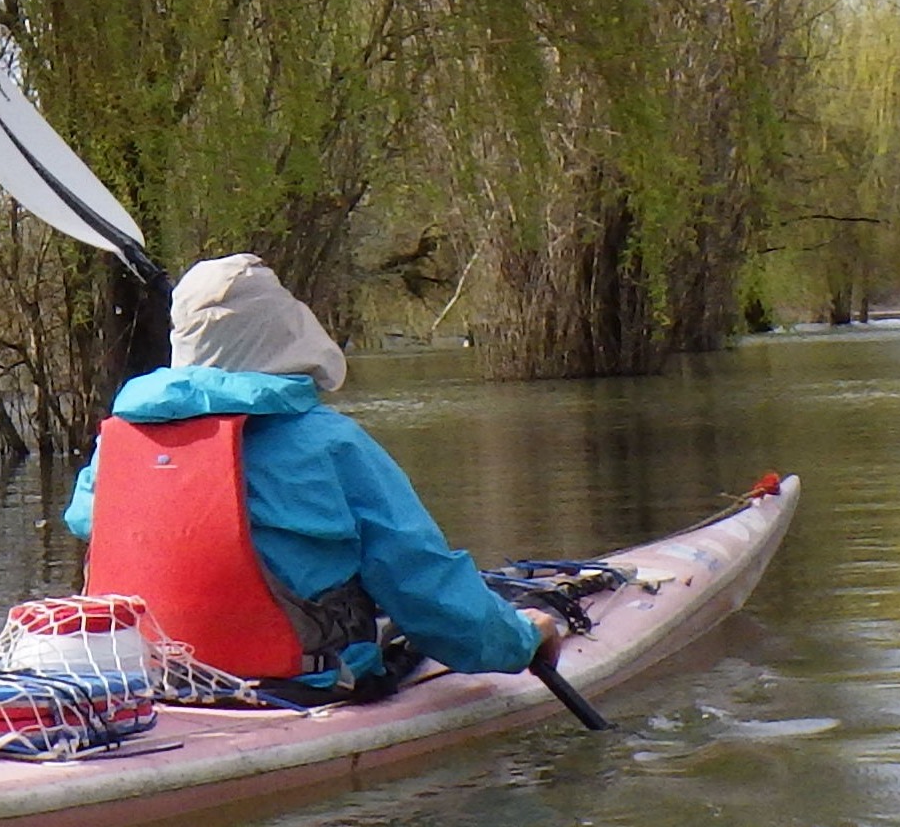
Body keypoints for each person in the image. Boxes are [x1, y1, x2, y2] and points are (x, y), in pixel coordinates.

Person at [64, 254, 562, 690]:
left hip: (149, 676)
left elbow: (85, 521)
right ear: (282, 330)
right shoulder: (330, 444)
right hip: (304, 679)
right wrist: (521, 639)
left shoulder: (117, 445)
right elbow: (423, 587)